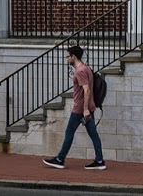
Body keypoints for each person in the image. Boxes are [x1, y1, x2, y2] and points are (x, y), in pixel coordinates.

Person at [43, 43, 105, 171]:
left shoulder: (80, 71)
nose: (66, 59)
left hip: (80, 109)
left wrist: (85, 109)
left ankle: (60, 159)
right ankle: (99, 160)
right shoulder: (86, 68)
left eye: (68, 56)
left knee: (69, 133)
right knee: (93, 134)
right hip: (87, 107)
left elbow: (86, 90)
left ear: (74, 56)